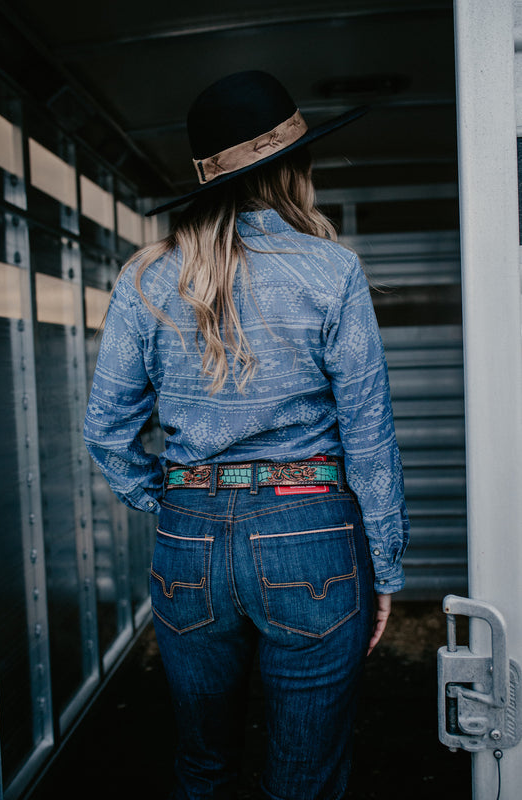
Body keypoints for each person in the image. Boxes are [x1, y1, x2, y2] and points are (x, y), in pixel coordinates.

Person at [84, 70, 409, 800]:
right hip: (312, 532)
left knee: (203, 765)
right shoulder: (331, 272)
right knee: (304, 775)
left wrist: (169, 497)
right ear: (295, 169)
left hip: (188, 539)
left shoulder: (146, 276)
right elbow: (369, 435)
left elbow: (106, 430)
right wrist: (383, 565)